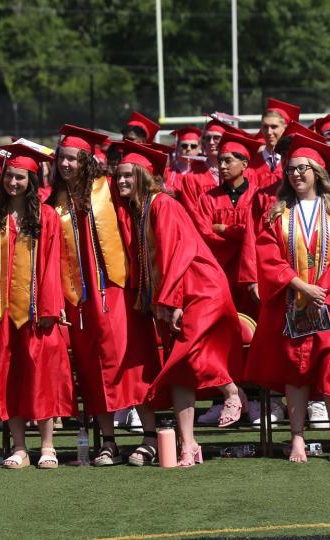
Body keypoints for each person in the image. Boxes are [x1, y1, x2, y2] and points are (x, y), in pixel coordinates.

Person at [114, 140, 244, 467]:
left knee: (189, 351)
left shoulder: (162, 205)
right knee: (181, 371)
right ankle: (189, 445)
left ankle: (231, 392)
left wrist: (168, 301)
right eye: (119, 177)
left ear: (145, 175)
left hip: (198, 289)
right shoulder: (142, 209)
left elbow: (177, 255)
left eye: (129, 175)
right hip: (177, 293)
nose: (122, 182)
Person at [47, 124, 160, 466]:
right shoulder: (55, 202)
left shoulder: (108, 189)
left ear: (86, 160)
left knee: (132, 360)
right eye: (61, 158)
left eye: (72, 158)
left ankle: (151, 436)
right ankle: (108, 441)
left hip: (118, 290)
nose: (66, 164)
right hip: (80, 298)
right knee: (92, 365)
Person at [244, 136, 330, 463]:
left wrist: (320, 290)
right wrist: (301, 287)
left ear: (317, 171)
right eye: (291, 169)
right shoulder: (278, 213)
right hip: (292, 305)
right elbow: (268, 257)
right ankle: (296, 438)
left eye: (302, 168)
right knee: (296, 370)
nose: (295, 174)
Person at [0, 143, 76, 470]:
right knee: (10, 377)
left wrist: (50, 306)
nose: (13, 183)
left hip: (37, 313)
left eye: (19, 177)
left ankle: (47, 446)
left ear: (31, 180)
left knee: (43, 375)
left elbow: (54, 263)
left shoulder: (46, 216)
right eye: (9, 176)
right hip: (2, 311)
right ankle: (19, 447)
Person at [192, 132, 262, 317]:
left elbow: (258, 233)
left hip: (252, 271)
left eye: (228, 161)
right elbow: (205, 235)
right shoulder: (207, 199)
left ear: (244, 164)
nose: (221, 166)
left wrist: (223, 229)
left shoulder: (259, 197)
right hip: (220, 270)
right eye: (220, 161)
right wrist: (243, 235)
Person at [248, 98, 301, 186]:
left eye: (274, 127)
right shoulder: (251, 163)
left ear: (285, 128)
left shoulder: (294, 162)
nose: (269, 132)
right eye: (265, 127)